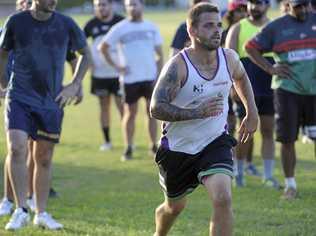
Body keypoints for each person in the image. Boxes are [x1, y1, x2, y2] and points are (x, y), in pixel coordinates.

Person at [150, 3, 258, 235]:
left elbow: (241, 78)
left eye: (218, 24)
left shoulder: (228, 58)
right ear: (192, 31)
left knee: (223, 198)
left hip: (214, 142)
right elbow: (156, 107)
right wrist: (196, 112)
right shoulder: (178, 66)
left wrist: (251, 112)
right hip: (178, 149)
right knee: (174, 206)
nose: (217, 30)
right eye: (209, 26)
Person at [0, 0, 91, 230]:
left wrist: (74, 84)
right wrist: (3, 84)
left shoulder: (66, 24)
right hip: (19, 96)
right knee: (17, 148)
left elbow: (85, 54)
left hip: (50, 102)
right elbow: (1, 54)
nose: (53, 1)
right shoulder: (16, 22)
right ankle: (19, 209)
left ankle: (40, 213)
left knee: (43, 157)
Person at [245, 0, 316, 199]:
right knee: (287, 139)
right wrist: (270, 68)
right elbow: (250, 47)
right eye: (298, 6)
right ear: (288, 5)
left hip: (314, 90)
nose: (303, 10)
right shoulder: (276, 27)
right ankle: (290, 185)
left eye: (306, 5)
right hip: (287, 90)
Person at [99, 0, 163, 161]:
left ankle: (153, 145)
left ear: (142, 5)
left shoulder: (151, 26)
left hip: (149, 78)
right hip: (130, 79)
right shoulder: (120, 28)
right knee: (130, 113)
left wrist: (158, 74)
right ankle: (128, 147)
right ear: (126, 8)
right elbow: (103, 47)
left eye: (135, 4)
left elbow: (159, 53)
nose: (132, 7)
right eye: (129, 5)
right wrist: (117, 66)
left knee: (151, 112)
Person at [226, 0, 279, 188]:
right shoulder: (238, 28)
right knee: (245, 132)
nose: (255, 7)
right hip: (245, 89)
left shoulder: (274, 27)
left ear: (268, 5)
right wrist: (232, 87)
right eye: (252, 3)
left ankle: (268, 175)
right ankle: (238, 173)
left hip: (269, 87)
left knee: (267, 131)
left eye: (260, 3)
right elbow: (229, 60)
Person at [84, 0, 124, 151]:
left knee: (123, 108)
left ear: (111, 5)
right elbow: (80, 45)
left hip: (118, 74)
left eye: (104, 4)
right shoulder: (90, 25)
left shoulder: (120, 21)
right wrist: (90, 64)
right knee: (104, 107)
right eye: (98, 5)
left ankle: (128, 142)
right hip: (99, 75)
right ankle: (107, 141)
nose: (101, 8)